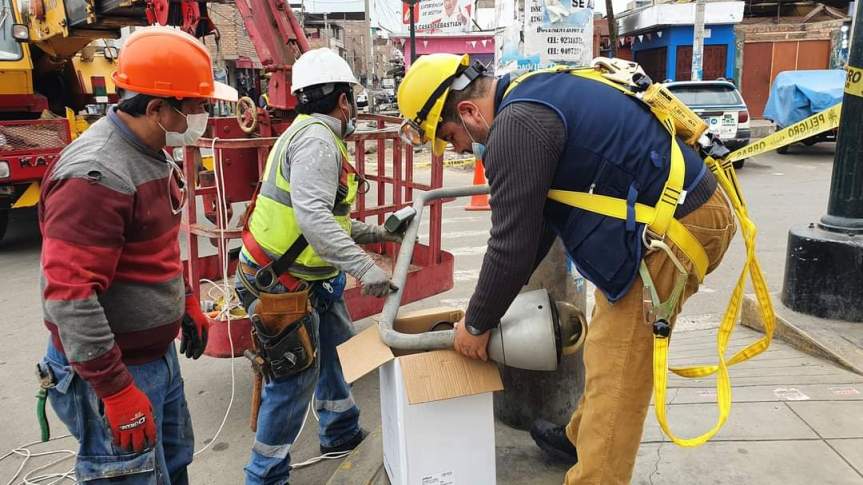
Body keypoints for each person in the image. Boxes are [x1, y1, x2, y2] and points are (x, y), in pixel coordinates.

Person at [396, 54, 737, 484]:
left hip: (677, 228)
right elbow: (533, 230)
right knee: (606, 346)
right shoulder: (528, 92)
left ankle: (596, 472)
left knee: (620, 368)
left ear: (467, 112)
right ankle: (579, 437)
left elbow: (511, 245)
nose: (458, 149)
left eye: (449, 137)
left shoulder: (515, 128)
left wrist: (478, 324)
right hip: (673, 217)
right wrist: (486, 312)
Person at [37, 27, 237, 483]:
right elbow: (70, 298)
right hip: (114, 369)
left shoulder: (153, 155)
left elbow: (158, 246)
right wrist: (116, 391)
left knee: (173, 467)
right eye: (197, 107)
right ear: (156, 109)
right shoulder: (96, 175)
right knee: (134, 476)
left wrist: (184, 300)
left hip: (154, 359)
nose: (204, 116)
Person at [235, 47, 401, 485]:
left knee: (336, 354)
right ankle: (264, 475)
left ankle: (340, 431)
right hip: (280, 284)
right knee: (292, 382)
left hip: (308, 280)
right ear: (344, 100)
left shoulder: (305, 133)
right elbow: (313, 219)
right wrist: (367, 269)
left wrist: (380, 232)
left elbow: (330, 217)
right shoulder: (317, 142)